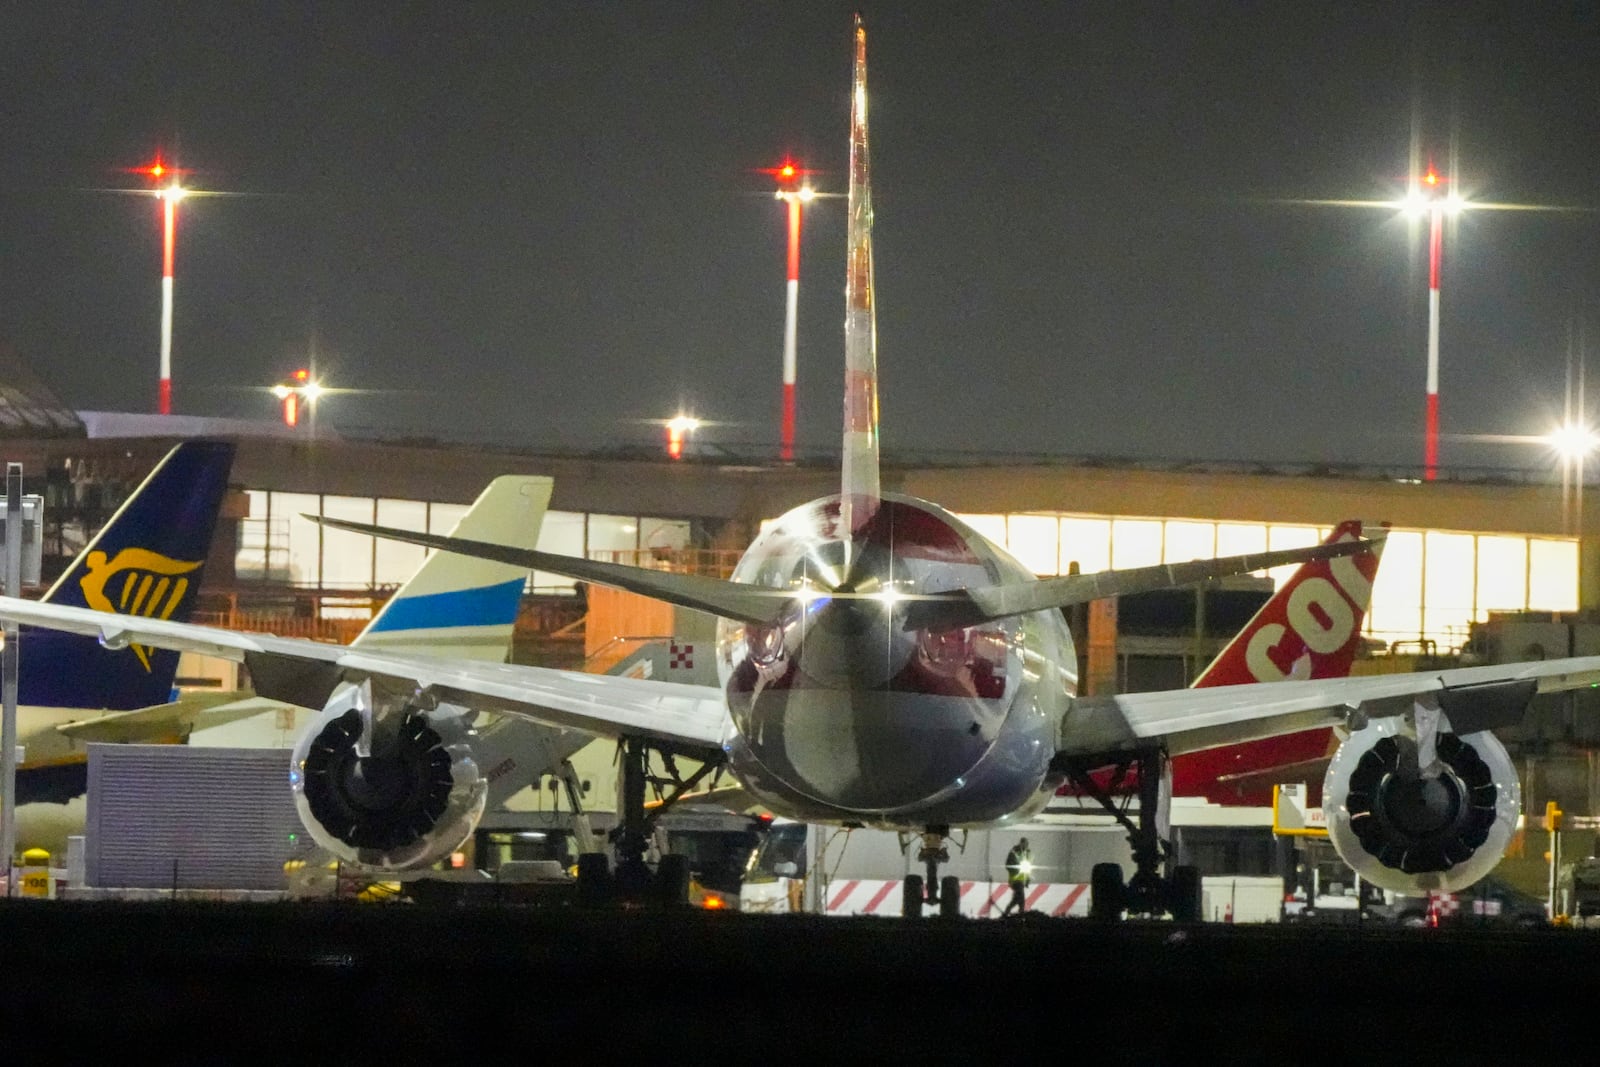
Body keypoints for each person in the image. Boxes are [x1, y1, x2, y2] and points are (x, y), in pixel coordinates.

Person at [1002, 837, 1032, 917]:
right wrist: (1017, 869)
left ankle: (1006, 914)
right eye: (1025, 844)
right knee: (1021, 899)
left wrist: (1027, 879)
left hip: (1021, 880)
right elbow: (1008, 865)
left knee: (1016, 900)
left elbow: (1028, 867)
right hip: (1015, 880)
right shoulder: (1014, 852)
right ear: (1021, 843)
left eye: (1027, 844)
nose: (1026, 846)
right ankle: (1021, 916)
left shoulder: (1027, 853)